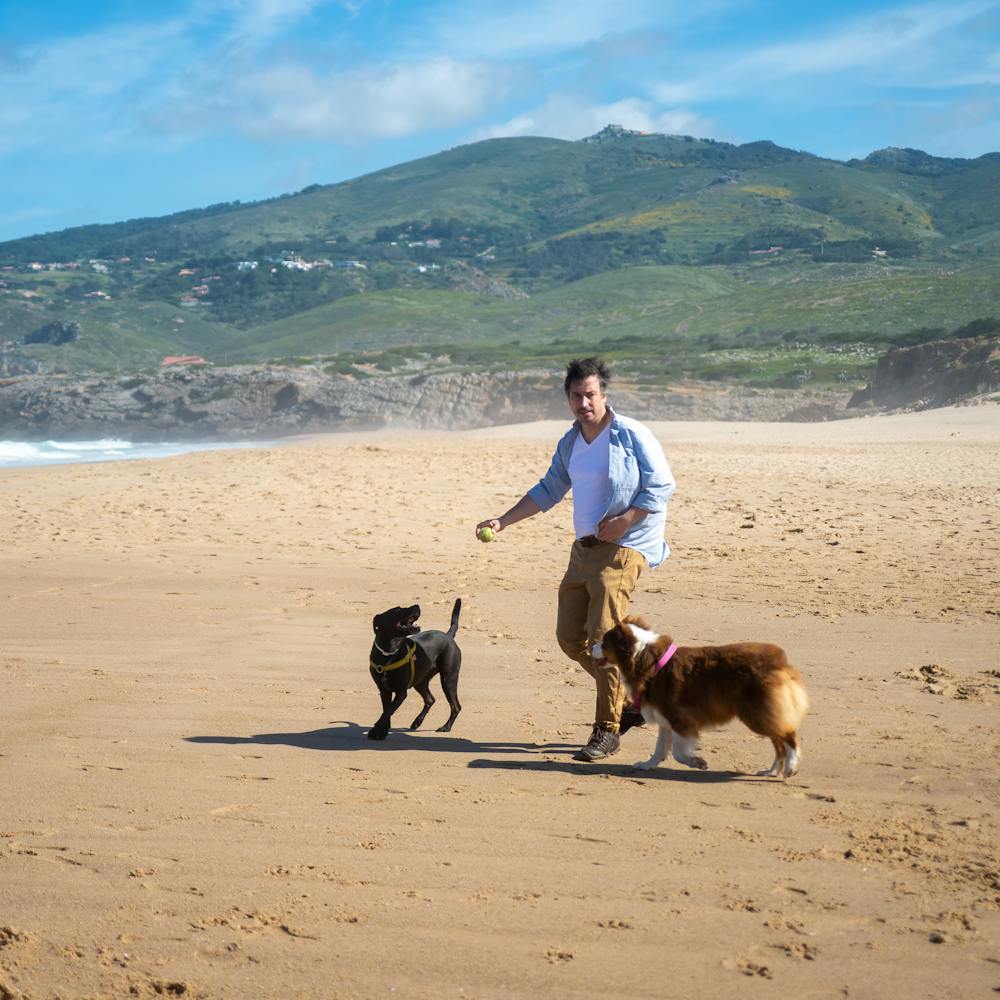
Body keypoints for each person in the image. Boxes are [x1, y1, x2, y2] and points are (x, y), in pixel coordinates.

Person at [476, 357, 675, 761]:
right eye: (576, 396)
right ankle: (631, 702)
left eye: (590, 395)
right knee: (570, 638)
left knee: (605, 636)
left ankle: (607, 729)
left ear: (604, 394)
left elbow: (661, 487)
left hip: (626, 546)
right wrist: (503, 521)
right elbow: (548, 489)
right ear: (568, 399)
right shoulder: (570, 443)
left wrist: (625, 520)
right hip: (583, 548)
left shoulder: (630, 434)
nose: (583, 403)